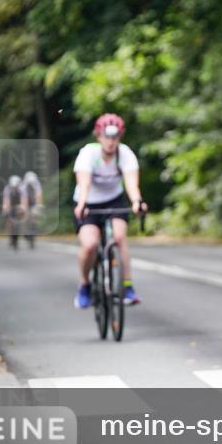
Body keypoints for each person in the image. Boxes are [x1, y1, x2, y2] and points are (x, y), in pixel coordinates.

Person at [72, 113, 147, 308]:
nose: (111, 142)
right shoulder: (88, 154)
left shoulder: (125, 154)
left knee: (120, 238)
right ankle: (84, 284)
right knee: (89, 245)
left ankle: (128, 287)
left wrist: (137, 202)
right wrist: (81, 205)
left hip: (114, 200)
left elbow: (131, 184)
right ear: (98, 136)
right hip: (88, 201)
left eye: (115, 137)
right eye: (107, 136)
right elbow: (84, 183)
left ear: (119, 137)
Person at [2, 175, 27, 250]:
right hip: (11, 205)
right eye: (13, 186)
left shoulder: (22, 188)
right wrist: (5, 209)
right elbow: (6, 200)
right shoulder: (7, 189)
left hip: (19, 204)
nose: (14, 187)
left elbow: (24, 200)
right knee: (8, 218)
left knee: (22, 214)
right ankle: (10, 235)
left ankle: (23, 230)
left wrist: (23, 208)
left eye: (16, 186)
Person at [22, 171, 43, 248]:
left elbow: (39, 195)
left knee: (36, 214)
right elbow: (24, 198)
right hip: (27, 202)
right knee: (26, 217)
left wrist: (39, 206)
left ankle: (35, 227)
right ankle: (25, 231)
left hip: (34, 202)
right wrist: (25, 209)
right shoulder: (23, 185)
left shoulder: (37, 184)